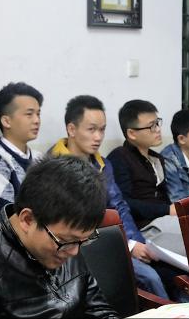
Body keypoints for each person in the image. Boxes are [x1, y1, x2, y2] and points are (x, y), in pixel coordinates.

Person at [0, 156, 118, 317]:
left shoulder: (68, 239)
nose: (74, 252)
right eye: (65, 241)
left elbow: (97, 309)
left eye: (83, 241)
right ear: (27, 220)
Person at [50, 95, 170, 299]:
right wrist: (128, 246)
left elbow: (119, 206)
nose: (98, 137)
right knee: (149, 277)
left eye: (102, 129)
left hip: (108, 241)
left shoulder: (103, 164)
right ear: (71, 129)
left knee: (157, 270)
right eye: (91, 129)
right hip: (73, 249)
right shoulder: (54, 165)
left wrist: (136, 243)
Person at [0, 82, 43, 218]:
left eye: (38, 114)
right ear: (6, 121)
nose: (37, 120)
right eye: (29, 114)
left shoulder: (39, 158)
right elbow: (7, 217)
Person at [107, 100, 176, 229]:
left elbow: (164, 197)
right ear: (132, 133)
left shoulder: (157, 158)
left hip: (164, 222)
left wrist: (173, 210)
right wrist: (166, 210)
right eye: (152, 126)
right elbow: (123, 203)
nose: (158, 129)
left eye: (157, 123)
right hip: (142, 228)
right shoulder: (119, 157)